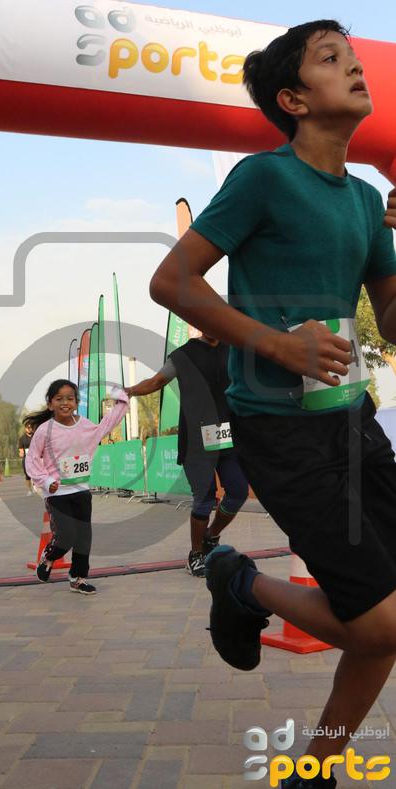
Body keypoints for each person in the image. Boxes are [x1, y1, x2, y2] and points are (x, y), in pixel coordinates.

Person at [149, 20, 396, 789]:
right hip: (281, 431)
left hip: (354, 421)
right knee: (382, 621)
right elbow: (172, 281)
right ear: (292, 99)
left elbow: (391, 322)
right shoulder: (263, 178)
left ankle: (314, 772)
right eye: (332, 59)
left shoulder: (366, 201)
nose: (356, 67)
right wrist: (277, 345)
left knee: (384, 622)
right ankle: (240, 580)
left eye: (354, 57)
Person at [126, 333, 249, 577]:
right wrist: (129, 390)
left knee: (238, 492)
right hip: (196, 440)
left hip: (227, 436)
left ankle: (211, 535)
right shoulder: (182, 355)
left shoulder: (233, 349)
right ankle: (196, 554)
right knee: (204, 499)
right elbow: (156, 382)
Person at [25, 379, 129, 595]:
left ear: (76, 402)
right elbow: (32, 459)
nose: (65, 403)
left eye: (70, 399)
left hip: (81, 490)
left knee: (83, 537)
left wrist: (122, 401)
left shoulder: (84, 425)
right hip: (57, 493)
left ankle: (78, 578)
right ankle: (49, 557)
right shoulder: (44, 430)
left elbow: (106, 425)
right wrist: (46, 481)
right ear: (50, 404)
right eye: (59, 399)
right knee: (66, 536)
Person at [18, 421, 35, 496]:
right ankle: (29, 490)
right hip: (26, 458)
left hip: (35, 457)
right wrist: (21, 453)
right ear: (25, 428)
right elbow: (21, 449)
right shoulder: (22, 438)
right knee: (27, 475)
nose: (29, 429)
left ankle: (34, 487)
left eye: (30, 427)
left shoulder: (35, 435)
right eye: (28, 427)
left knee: (35, 473)